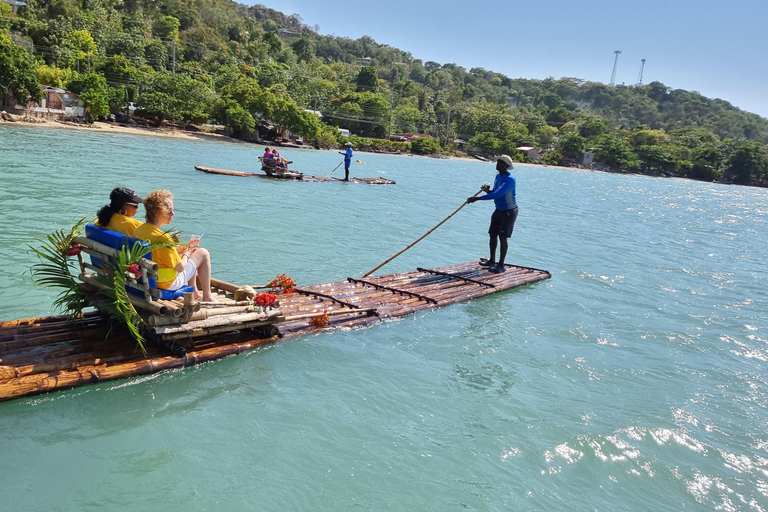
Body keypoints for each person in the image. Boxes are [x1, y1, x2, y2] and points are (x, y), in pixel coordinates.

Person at [133, 190, 216, 302]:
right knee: (203, 253)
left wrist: (183, 249)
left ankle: (196, 293)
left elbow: (160, 255)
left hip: (147, 278)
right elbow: (180, 267)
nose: (173, 214)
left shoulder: (139, 230)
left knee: (192, 255)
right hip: (166, 282)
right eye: (170, 210)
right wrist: (187, 253)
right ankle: (208, 297)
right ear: (158, 211)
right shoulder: (163, 238)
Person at [466, 155, 518, 274]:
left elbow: (498, 194)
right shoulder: (498, 176)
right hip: (499, 210)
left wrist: (477, 198)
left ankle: (501, 265)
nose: (498, 165)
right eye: (497, 162)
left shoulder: (510, 179)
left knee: (503, 237)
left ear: (506, 166)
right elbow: (494, 192)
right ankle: (492, 261)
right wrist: (487, 191)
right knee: (492, 234)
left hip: (509, 211)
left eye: (501, 163)